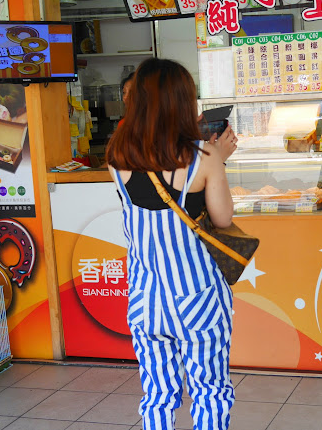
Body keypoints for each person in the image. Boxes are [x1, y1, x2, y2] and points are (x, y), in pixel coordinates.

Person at [106, 58, 238, 430]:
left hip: (146, 298)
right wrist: (221, 161)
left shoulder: (117, 156)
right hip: (198, 297)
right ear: (184, 103)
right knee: (209, 390)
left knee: (158, 394)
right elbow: (223, 219)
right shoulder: (205, 157)